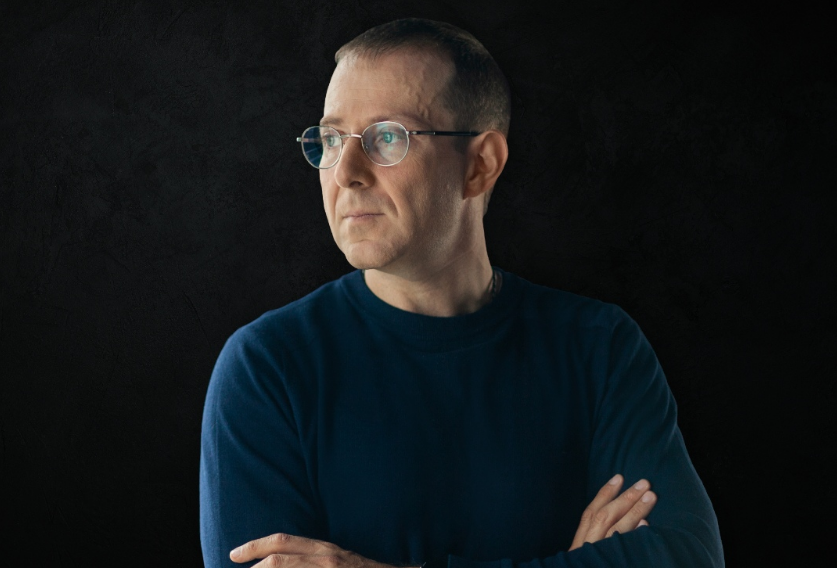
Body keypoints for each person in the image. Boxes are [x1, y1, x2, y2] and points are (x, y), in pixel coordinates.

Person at [199, 18, 724, 568]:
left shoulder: (600, 347)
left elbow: (687, 557)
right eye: (331, 139)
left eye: (387, 137)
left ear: (481, 164)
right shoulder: (268, 367)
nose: (346, 171)